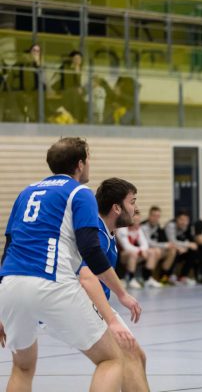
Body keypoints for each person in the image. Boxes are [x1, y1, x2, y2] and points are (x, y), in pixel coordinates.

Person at [0, 137, 142, 392]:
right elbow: (90, 249)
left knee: (22, 368)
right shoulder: (79, 192)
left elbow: (9, 248)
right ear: (80, 164)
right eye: (88, 159)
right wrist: (122, 293)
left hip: (11, 284)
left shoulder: (26, 192)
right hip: (52, 282)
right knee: (111, 358)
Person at [79, 177, 150, 392]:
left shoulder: (107, 230)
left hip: (94, 303)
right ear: (116, 208)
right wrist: (110, 317)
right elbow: (86, 278)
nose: (135, 208)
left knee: (136, 355)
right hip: (84, 303)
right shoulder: (97, 235)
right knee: (119, 359)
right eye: (132, 202)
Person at [116, 212, 164, 289]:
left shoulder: (138, 229)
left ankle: (147, 279)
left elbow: (145, 244)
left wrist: (143, 251)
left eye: (138, 221)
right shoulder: (122, 229)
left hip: (134, 253)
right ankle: (130, 279)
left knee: (152, 252)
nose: (137, 223)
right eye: (134, 220)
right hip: (120, 256)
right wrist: (141, 251)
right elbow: (126, 246)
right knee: (133, 254)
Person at [140, 206, 177, 285]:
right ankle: (147, 278)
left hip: (156, 249)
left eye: (158, 216)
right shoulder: (144, 226)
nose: (155, 218)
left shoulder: (158, 227)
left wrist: (168, 245)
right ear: (149, 216)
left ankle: (163, 276)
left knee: (172, 250)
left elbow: (163, 241)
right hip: (145, 250)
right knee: (156, 251)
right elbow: (148, 243)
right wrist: (165, 245)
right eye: (154, 216)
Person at [165, 210, 200, 286]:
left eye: (186, 220)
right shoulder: (171, 225)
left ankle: (183, 277)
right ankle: (169, 276)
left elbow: (190, 241)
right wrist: (186, 245)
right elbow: (172, 241)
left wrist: (186, 247)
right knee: (175, 250)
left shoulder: (189, 226)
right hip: (168, 249)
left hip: (181, 249)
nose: (184, 222)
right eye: (181, 219)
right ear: (176, 219)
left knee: (194, 251)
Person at [51, 50, 85, 123]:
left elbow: (80, 84)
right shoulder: (66, 67)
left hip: (74, 93)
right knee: (75, 94)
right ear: (72, 59)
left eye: (79, 58)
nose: (78, 60)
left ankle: (76, 119)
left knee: (78, 96)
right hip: (65, 90)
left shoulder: (80, 69)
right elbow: (68, 82)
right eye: (76, 58)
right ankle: (75, 119)